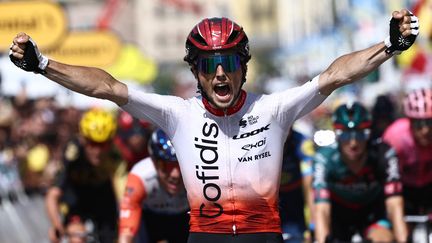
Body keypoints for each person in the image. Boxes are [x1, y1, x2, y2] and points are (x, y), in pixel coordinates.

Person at [9, 9, 418, 243]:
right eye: (208, 65)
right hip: (206, 235)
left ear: (244, 67)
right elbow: (107, 87)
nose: (220, 74)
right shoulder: (177, 114)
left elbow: (335, 76)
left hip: (265, 233)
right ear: (196, 71)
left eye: (229, 63)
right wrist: (42, 65)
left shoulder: (274, 108)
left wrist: (391, 46)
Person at [312, 102, 407, 243]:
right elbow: (322, 209)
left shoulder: (384, 153)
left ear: (369, 134)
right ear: (336, 135)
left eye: (360, 135)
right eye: (345, 135)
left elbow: (395, 204)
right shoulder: (324, 158)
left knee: (383, 239)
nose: (353, 143)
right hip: (338, 217)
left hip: (372, 215)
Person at [45, 108, 126, 243]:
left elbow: (123, 196)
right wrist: (56, 224)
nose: (97, 151)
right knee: (77, 237)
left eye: (103, 144)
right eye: (92, 143)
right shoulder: (73, 152)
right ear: (83, 140)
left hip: (103, 200)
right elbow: (52, 195)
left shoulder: (116, 156)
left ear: (111, 142)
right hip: (76, 200)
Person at [118, 128, 189, 243]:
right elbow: (126, 233)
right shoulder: (140, 176)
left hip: (184, 218)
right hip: (150, 220)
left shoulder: (198, 175)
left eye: (181, 164)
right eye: (165, 166)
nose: (175, 174)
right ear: (153, 162)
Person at [382, 88, 432, 218]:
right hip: (404, 188)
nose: (425, 130)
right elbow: (387, 177)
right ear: (409, 121)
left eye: (430, 123)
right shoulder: (395, 136)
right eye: (419, 124)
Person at [279, 127, 315, 242]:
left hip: (296, 198)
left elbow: (310, 186)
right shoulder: (262, 139)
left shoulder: (303, 142)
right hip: (272, 198)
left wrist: (312, 224)